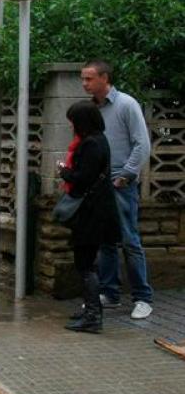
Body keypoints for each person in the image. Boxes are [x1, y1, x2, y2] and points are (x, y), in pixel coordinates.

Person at [81, 61, 154, 319]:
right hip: (100, 184)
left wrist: (126, 175)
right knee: (106, 242)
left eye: (89, 79)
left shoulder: (126, 104)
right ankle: (109, 292)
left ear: (105, 78)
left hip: (120, 184)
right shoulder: (92, 109)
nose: (84, 84)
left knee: (129, 240)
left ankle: (143, 298)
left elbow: (142, 144)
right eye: (83, 79)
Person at [59, 101, 120, 333]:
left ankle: (93, 316)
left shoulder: (92, 144)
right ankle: (90, 311)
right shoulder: (98, 140)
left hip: (92, 213)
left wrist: (64, 172)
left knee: (85, 263)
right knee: (86, 262)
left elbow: (83, 177)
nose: (71, 125)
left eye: (73, 120)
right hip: (96, 211)